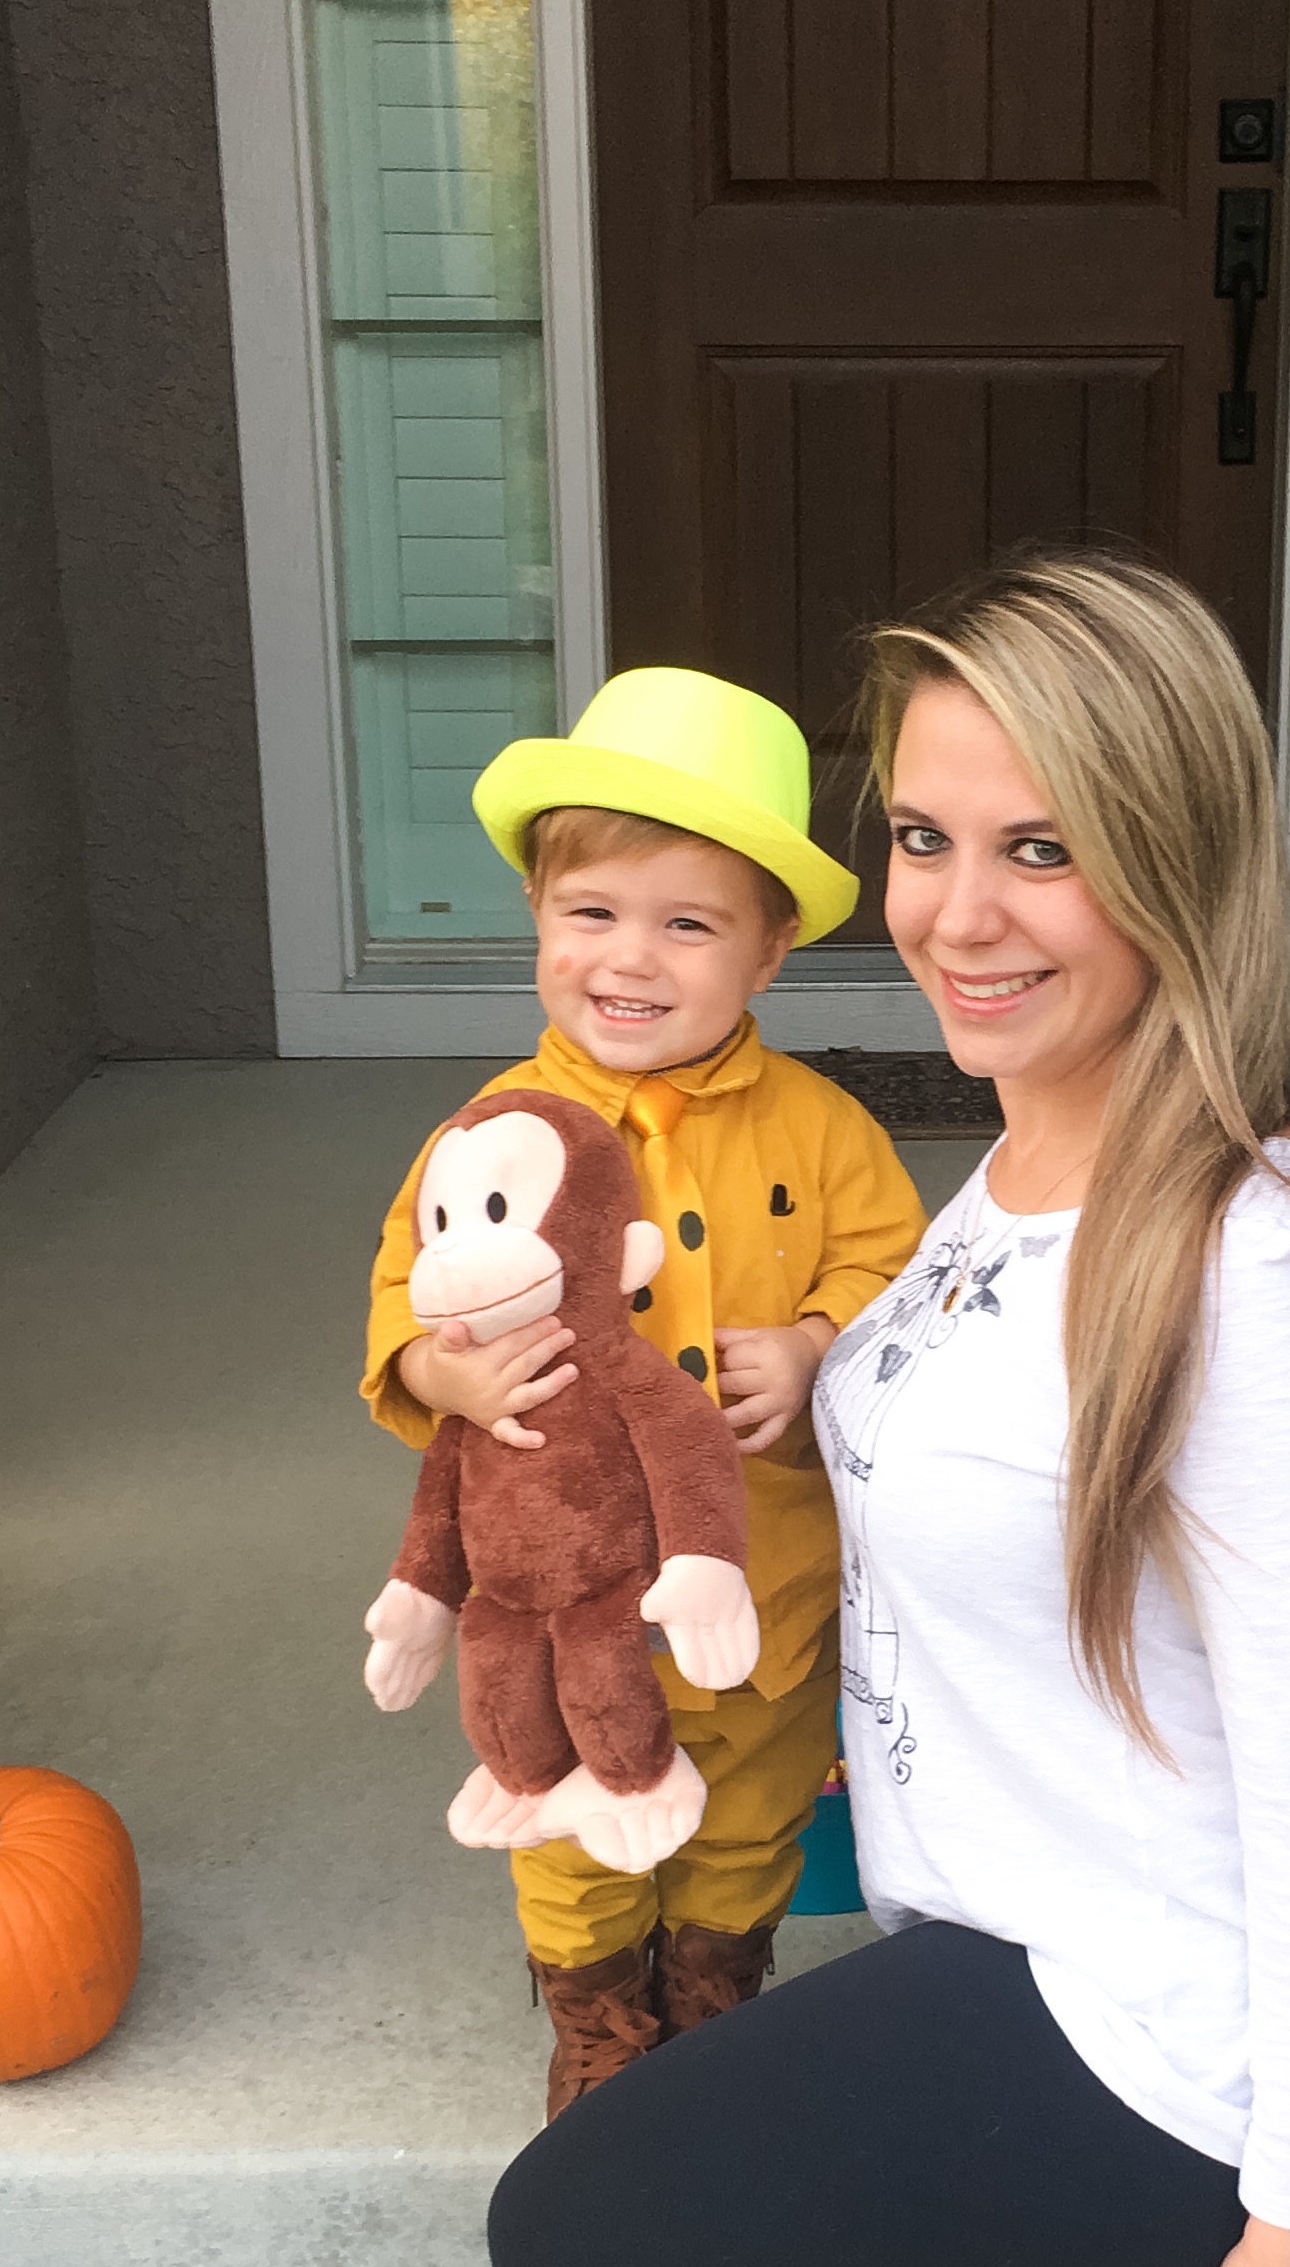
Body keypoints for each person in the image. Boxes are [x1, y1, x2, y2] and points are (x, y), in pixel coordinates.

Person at [487, 558, 1290, 2267]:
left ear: (1173, 868)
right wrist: (795, 1386)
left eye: (1040, 853)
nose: (956, 917)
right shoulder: (1032, 1152)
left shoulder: (1265, 1298)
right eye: (921, 837)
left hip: (1165, 2020)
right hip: (1016, 1919)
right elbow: (971, 1376)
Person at [361, 668, 925, 2115]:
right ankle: (599, 2017)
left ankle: (714, 1990)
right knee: (564, 1815)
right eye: (592, 914)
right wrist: (446, 1370)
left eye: (689, 924)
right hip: (556, 1588)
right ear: (541, 921)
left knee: (746, 1817)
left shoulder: (823, 1125)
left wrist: (813, 1344)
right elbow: (398, 1301)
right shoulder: (488, 1138)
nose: (632, 958)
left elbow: (901, 1274)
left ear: (770, 950)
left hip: (763, 1579)